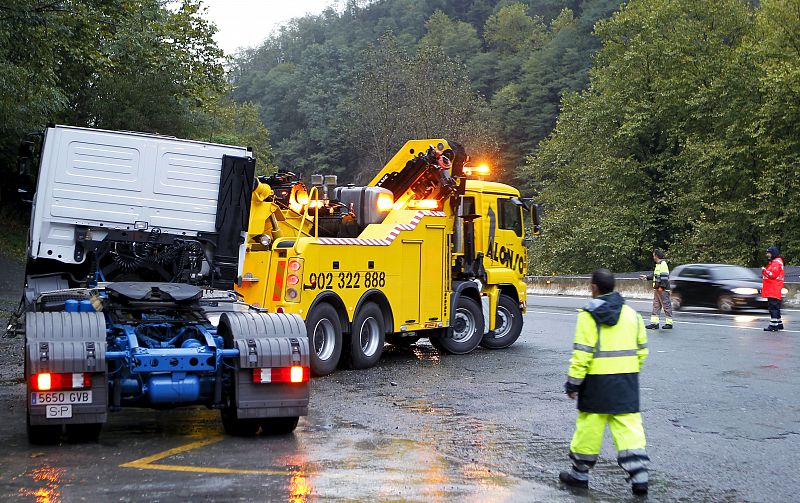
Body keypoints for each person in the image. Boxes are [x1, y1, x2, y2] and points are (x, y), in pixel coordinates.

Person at [560, 268, 650, 495]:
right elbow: (642, 350)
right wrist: (629, 371)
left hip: (596, 384)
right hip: (626, 382)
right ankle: (639, 476)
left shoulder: (587, 316)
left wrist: (573, 383)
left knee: (588, 431)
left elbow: (582, 354)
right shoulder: (632, 315)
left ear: (593, 287)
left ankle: (579, 475)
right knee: (629, 429)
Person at [640, 248, 672, 329]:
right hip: (658, 289)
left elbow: (665, 277)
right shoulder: (658, 264)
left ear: (656, 256)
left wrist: (662, 287)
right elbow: (655, 274)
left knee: (666, 305)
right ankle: (655, 323)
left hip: (662, 289)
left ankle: (669, 323)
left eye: (653, 255)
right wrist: (646, 277)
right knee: (656, 305)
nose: (653, 257)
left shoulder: (663, 264)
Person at [762, 246, 785, 332]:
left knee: (773, 307)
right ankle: (779, 324)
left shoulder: (776, 262)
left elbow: (772, 275)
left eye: (769, 253)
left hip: (773, 287)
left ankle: (773, 325)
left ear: (773, 253)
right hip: (775, 287)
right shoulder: (777, 261)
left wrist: (764, 270)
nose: (767, 254)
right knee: (776, 306)